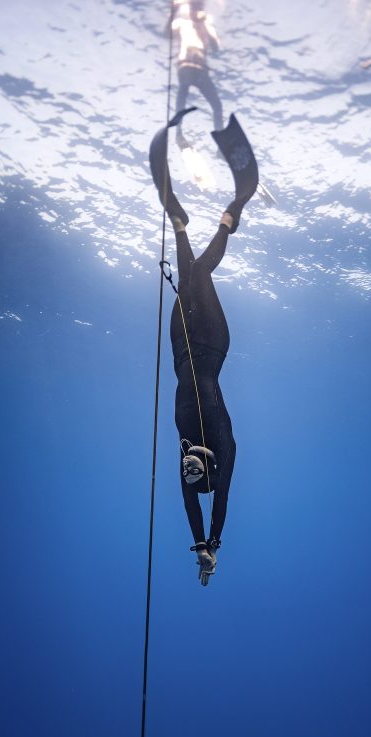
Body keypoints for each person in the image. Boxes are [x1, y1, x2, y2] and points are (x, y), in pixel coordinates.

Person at [149, 109, 258, 585]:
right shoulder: (222, 448)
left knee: (187, 277)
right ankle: (233, 213)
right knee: (196, 276)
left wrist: (196, 547)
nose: (187, 464)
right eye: (195, 468)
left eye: (185, 469)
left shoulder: (188, 461)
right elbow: (218, 504)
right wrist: (212, 546)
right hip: (211, 345)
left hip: (178, 346)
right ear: (209, 464)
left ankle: (178, 224)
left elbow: (190, 503)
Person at [167, 0, 223, 146]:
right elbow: (167, 35)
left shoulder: (206, 25)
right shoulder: (182, 22)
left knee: (217, 106)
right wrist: (172, 13)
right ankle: (179, 133)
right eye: (194, 6)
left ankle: (221, 142)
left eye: (199, 7)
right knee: (183, 94)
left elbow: (216, 47)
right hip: (186, 67)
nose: (196, 10)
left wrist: (205, 26)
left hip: (201, 71)